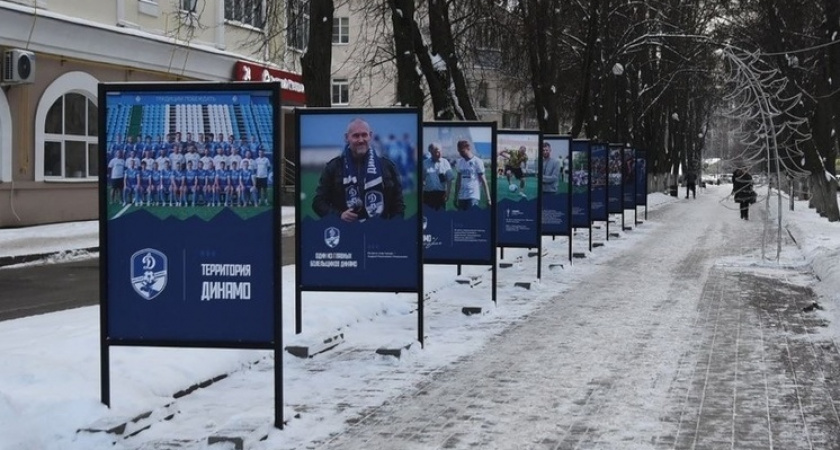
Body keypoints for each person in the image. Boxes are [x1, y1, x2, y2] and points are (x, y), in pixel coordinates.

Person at [312, 118, 405, 222]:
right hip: (346, 232)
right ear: (347, 138)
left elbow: (398, 205)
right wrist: (339, 215)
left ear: (370, 136)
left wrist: (392, 229)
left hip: (379, 232)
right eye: (356, 136)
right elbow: (318, 203)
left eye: (364, 135)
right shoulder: (334, 167)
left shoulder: (387, 166)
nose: (361, 140)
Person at [453, 139, 491, 211]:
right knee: (461, 220)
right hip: (461, 196)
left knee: (471, 219)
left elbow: (484, 181)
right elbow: (458, 181)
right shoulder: (460, 162)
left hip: (473, 196)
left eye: (462, 151)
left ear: (468, 148)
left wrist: (488, 199)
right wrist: (455, 197)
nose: (460, 153)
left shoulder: (477, 161)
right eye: (459, 151)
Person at [422, 142, 453, 210]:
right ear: (430, 152)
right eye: (435, 152)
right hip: (428, 194)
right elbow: (422, 180)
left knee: (440, 217)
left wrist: (448, 193)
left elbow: (449, 180)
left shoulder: (445, 162)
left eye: (439, 151)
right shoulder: (425, 163)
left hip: (441, 194)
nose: (438, 154)